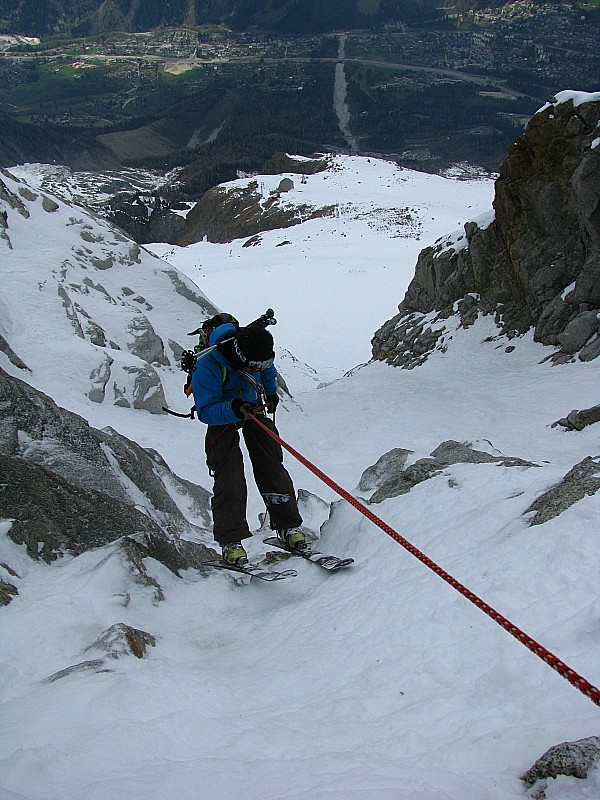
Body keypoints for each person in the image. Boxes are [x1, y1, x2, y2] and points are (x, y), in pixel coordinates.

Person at [191, 317, 306, 566]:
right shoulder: (208, 365)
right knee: (229, 475)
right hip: (223, 414)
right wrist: (233, 408)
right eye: (255, 365)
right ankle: (231, 540)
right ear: (243, 358)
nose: (260, 368)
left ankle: (288, 526)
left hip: (251, 407)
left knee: (272, 465)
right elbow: (206, 410)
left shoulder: (257, 354)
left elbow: (268, 370)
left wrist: (271, 393)